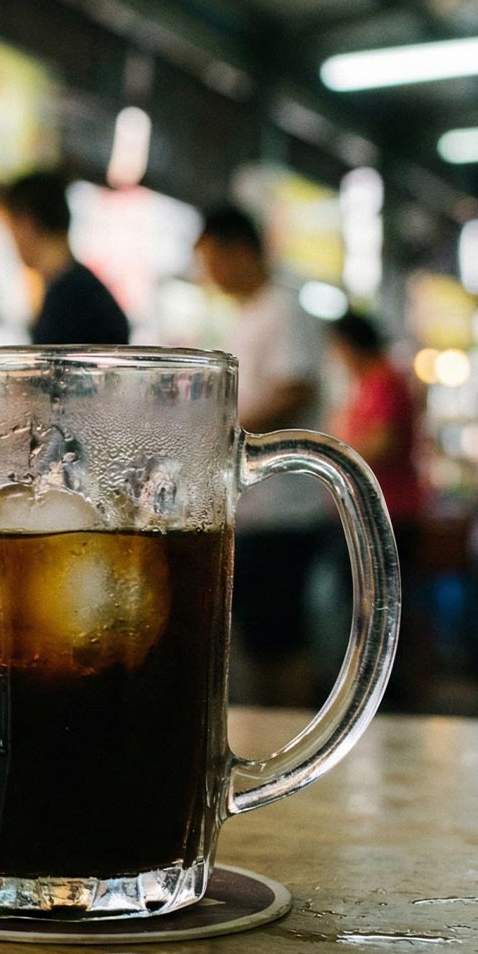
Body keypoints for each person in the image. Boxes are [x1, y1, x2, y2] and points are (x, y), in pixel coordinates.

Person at [195, 205, 329, 712]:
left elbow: (295, 385)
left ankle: (292, 730)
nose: (210, 274)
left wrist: (226, 432)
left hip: (284, 510)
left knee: (281, 638)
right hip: (254, 512)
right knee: (258, 637)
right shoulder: (248, 314)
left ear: (241, 251)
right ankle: (272, 728)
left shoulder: (285, 308)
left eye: (213, 260)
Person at [328, 311, 426, 708]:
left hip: (389, 515)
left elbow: (383, 443)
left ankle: (388, 693)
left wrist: (336, 454)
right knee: (373, 605)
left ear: (349, 345)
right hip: (376, 512)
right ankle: (382, 691)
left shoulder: (385, 380)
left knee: (383, 606)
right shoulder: (372, 381)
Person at [3, 171, 130, 346]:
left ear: (26, 223)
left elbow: (52, 370)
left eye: (10, 228)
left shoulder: (67, 298)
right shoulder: (83, 287)